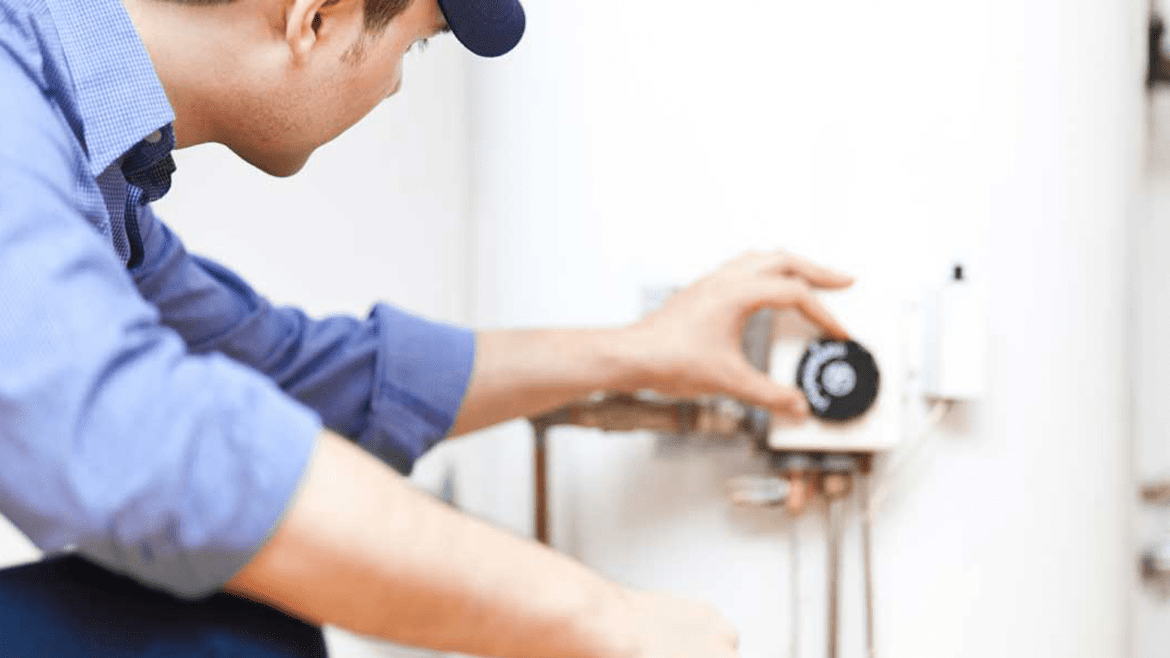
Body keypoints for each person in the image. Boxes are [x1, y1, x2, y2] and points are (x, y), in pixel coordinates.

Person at [0, 0, 854, 655]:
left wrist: (639, 352)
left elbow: (285, 374)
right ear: (315, 16)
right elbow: (138, 439)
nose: (398, 82)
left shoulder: (92, 168)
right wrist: (607, 622)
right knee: (227, 640)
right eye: (415, 42)